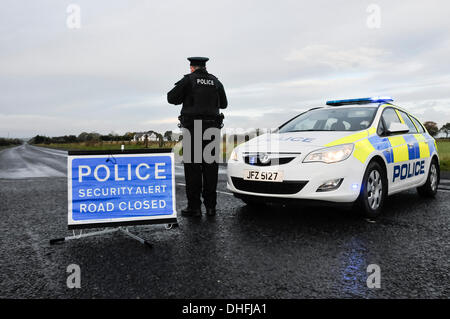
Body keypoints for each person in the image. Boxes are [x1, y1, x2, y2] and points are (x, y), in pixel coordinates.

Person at [167, 57, 228, 217]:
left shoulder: (189, 80)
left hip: (193, 129)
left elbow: (171, 98)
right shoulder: (215, 81)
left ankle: (194, 207)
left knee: (193, 168)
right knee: (211, 169)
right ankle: (211, 207)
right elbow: (224, 104)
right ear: (205, 66)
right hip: (212, 129)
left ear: (192, 67)